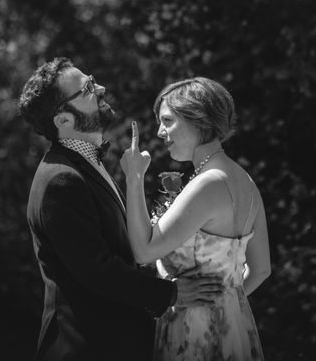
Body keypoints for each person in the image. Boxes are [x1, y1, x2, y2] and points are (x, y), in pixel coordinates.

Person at [18, 58, 223, 361]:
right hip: (86, 348)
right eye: (87, 89)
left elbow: (119, 249)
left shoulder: (86, 164)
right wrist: (172, 294)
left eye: (91, 79)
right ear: (64, 120)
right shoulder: (59, 180)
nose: (99, 87)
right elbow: (98, 270)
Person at [120, 77, 271, 360]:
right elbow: (261, 269)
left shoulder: (207, 183)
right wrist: (227, 308)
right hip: (236, 330)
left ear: (197, 119)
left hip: (193, 335)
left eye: (167, 120)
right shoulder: (246, 182)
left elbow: (143, 251)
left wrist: (134, 176)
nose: (161, 132)